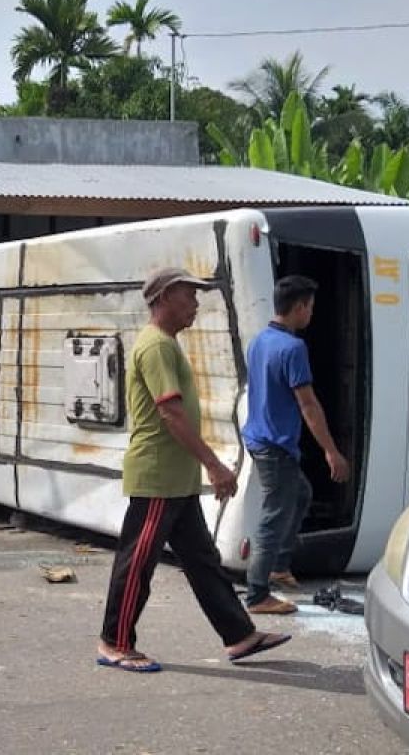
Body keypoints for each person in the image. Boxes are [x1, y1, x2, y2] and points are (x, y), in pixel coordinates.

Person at [97, 267, 292, 673]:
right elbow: (171, 414)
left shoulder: (167, 344)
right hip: (158, 476)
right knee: (137, 563)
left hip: (176, 479)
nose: (196, 305)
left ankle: (239, 636)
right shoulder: (156, 347)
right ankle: (115, 643)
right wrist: (215, 466)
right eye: (189, 296)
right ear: (165, 298)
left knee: (203, 561)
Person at [242, 275, 351, 615]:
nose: (312, 314)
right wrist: (331, 451)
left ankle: (278, 564)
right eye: (311, 308)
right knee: (274, 514)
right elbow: (308, 405)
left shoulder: (260, 341)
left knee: (300, 494)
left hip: (260, 438)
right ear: (300, 307)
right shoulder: (293, 348)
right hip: (275, 445)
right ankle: (258, 593)